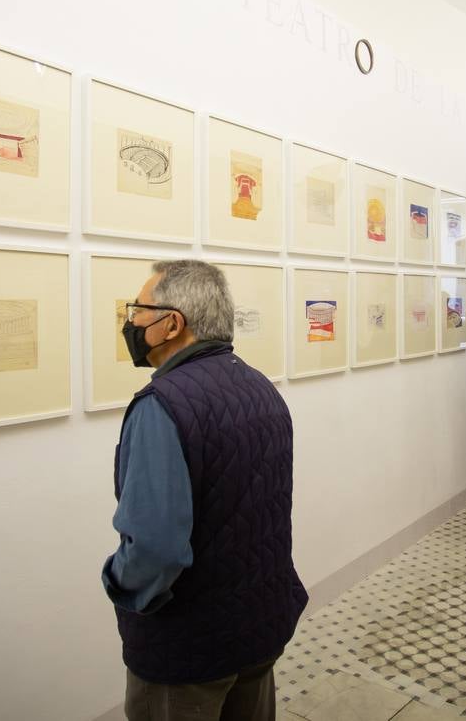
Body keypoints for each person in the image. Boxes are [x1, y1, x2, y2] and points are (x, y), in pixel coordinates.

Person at [103, 260, 308, 721]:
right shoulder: (259, 387)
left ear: (171, 323)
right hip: (258, 622)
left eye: (138, 310)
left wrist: (117, 583)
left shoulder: (162, 407)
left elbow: (156, 551)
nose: (131, 322)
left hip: (189, 647)